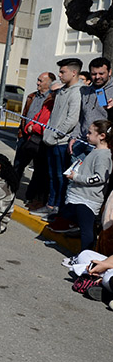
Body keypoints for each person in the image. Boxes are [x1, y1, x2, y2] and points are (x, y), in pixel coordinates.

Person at [53, 120, 112, 252]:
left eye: (90, 133)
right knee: (85, 227)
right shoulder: (96, 151)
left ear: (101, 136)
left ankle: (85, 257)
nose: (86, 135)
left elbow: (99, 178)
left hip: (88, 199)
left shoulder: (103, 155)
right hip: (82, 195)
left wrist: (77, 177)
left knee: (87, 231)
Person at [35, 58, 83, 217]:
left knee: (60, 177)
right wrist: (48, 132)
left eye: (63, 72)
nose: (60, 75)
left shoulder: (77, 92)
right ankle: (50, 204)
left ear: (74, 72)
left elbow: (72, 119)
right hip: (51, 141)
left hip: (61, 143)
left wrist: (56, 134)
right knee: (52, 175)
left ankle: (58, 207)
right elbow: (54, 116)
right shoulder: (62, 91)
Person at [14, 72, 55, 209]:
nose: (37, 83)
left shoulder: (51, 99)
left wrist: (35, 128)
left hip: (38, 139)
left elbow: (45, 118)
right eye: (37, 80)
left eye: (40, 81)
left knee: (38, 170)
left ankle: (30, 196)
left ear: (49, 83)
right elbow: (25, 114)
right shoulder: (32, 96)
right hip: (25, 136)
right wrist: (22, 131)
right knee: (18, 165)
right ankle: (11, 190)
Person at [73, 57, 113, 160]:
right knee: (73, 174)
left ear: (109, 72)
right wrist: (74, 137)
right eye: (94, 74)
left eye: (101, 73)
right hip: (81, 140)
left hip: (101, 144)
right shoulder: (85, 91)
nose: (97, 77)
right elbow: (81, 117)